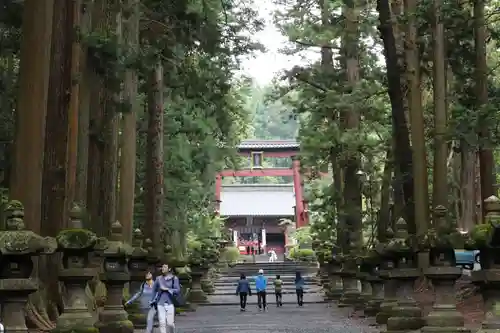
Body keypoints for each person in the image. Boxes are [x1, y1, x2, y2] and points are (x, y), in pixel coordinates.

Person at [150, 264, 181, 333]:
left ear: (169, 269)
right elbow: (154, 290)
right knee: (162, 322)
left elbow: (177, 290)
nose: (162, 268)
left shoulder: (174, 278)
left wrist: (167, 289)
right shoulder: (158, 278)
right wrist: (152, 300)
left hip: (170, 302)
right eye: (162, 267)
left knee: (170, 323)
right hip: (160, 302)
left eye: (164, 267)